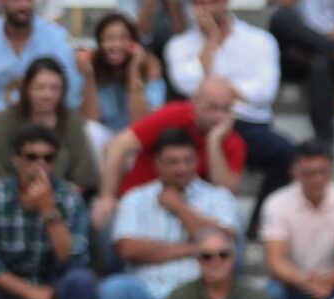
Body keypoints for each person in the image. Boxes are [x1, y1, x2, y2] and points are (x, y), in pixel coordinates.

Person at [95, 127, 241, 299]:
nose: (181, 168)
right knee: (114, 290)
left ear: (197, 160)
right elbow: (128, 249)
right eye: (173, 162)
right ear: (157, 164)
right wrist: (192, 249)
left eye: (187, 160)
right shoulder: (136, 198)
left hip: (200, 293)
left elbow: (225, 245)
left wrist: (180, 208)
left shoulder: (219, 197)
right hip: (147, 291)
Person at [164, 0, 292, 206]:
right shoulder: (178, 45)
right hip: (199, 126)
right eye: (199, 2)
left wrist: (216, 94)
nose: (207, 8)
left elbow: (265, 91)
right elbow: (187, 86)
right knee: (169, 149)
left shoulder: (260, 40)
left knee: (285, 152)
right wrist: (211, 41)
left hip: (247, 124)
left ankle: (260, 221)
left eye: (213, 1)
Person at [0, 120, 96, 299]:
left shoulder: (69, 198)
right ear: (17, 160)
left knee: (82, 281)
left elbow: (73, 257)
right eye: (31, 157)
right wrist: (27, 291)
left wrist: (48, 209)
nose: (40, 164)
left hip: (54, 293)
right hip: (9, 293)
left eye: (48, 158)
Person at [95, 78, 247, 215]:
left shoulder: (233, 141)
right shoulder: (173, 115)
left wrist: (214, 143)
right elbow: (119, 145)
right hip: (138, 201)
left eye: (226, 109)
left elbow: (226, 193)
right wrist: (107, 197)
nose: (219, 117)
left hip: (189, 211)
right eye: (212, 108)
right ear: (195, 103)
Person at [256, 139, 334, 299]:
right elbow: (275, 261)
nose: (318, 179)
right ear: (295, 172)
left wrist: (326, 282)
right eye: (311, 173)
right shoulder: (276, 203)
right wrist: (305, 282)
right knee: (272, 296)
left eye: (324, 172)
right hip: (292, 285)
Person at [0, 55, 98, 190]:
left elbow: (82, 176)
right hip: (11, 197)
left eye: (54, 89)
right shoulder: (5, 121)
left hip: (62, 197)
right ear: (27, 89)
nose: (47, 95)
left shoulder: (71, 121)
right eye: (39, 88)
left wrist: (60, 200)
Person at [267, 0, 334, 148]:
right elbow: (279, 7)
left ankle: (325, 143)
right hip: (296, 51)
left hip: (328, 59)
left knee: (319, 64)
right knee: (281, 17)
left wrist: (316, 45)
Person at [80, 14, 162, 141]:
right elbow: (91, 119)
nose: (116, 45)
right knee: (90, 131)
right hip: (106, 136)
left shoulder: (149, 65)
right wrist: (89, 75)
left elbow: (140, 120)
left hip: (137, 136)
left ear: (133, 42)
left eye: (123, 38)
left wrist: (133, 70)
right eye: (109, 39)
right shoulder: (93, 65)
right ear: (100, 43)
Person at [0, 0, 77, 116]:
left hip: (45, 118)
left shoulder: (56, 37)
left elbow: (69, 88)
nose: (24, 5)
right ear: (2, 2)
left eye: (29, 0)